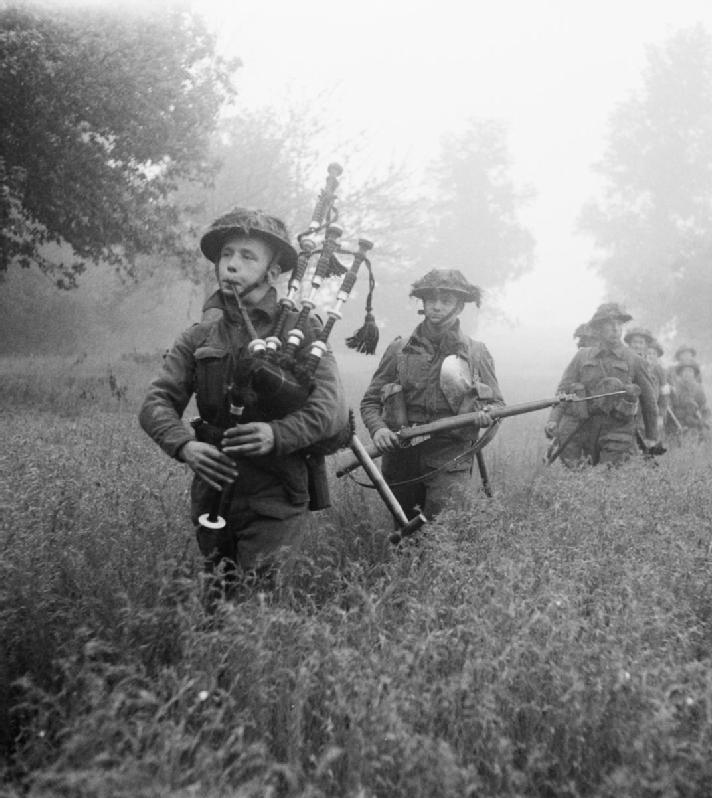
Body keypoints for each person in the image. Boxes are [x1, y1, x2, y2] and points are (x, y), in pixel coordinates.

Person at [139, 208, 346, 600]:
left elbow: (330, 411)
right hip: (213, 485)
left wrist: (277, 433)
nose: (232, 265)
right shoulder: (199, 336)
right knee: (216, 595)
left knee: (255, 602)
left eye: (248, 256)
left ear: (273, 272)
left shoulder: (304, 332)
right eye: (227, 254)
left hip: (276, 489)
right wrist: (184, 445)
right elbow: (157, 400)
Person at [360, 269, 503, 521]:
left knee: (442, 530)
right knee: (405, 530)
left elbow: (498, 405)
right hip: (401, 455)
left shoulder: (477, 352)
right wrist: (379, 430)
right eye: (431, 300)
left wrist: (487, 415)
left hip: (450, 455)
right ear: (423, 304)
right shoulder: (398, 349)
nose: (436, 307)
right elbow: (370, 401)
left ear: (459, 307)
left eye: (445, 301)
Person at [545, 302, 659, 466]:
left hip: (618, 431)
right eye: (609, 324)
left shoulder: (635, 360)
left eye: (619, 324)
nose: (615, 329)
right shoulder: (582, 357)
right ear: (599, 328)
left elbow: (649, 403)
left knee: (607, 477)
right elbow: (563, 393)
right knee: (577, 477)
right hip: (583, 429)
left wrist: (651, 438)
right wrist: (553, 420)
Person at [544, 322, 598, 463]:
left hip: (598, 425)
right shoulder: (579, 359)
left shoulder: (610, 361)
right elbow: (562, 392)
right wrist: (553, 421)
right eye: (584, 340)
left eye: (591, 340)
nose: (585, 343)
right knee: (571, 463)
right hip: (573, 421)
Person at [667, 356, 710, 439]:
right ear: (680, 373)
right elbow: (669, 407)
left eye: (690, 371)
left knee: (702, 436)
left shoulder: (698, 389)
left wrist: (702, 421)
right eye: (685, 371)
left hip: (693, 422)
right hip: (676, 422)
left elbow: (704, 408)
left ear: (694, 374)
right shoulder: (674, 387)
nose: (687, 373)